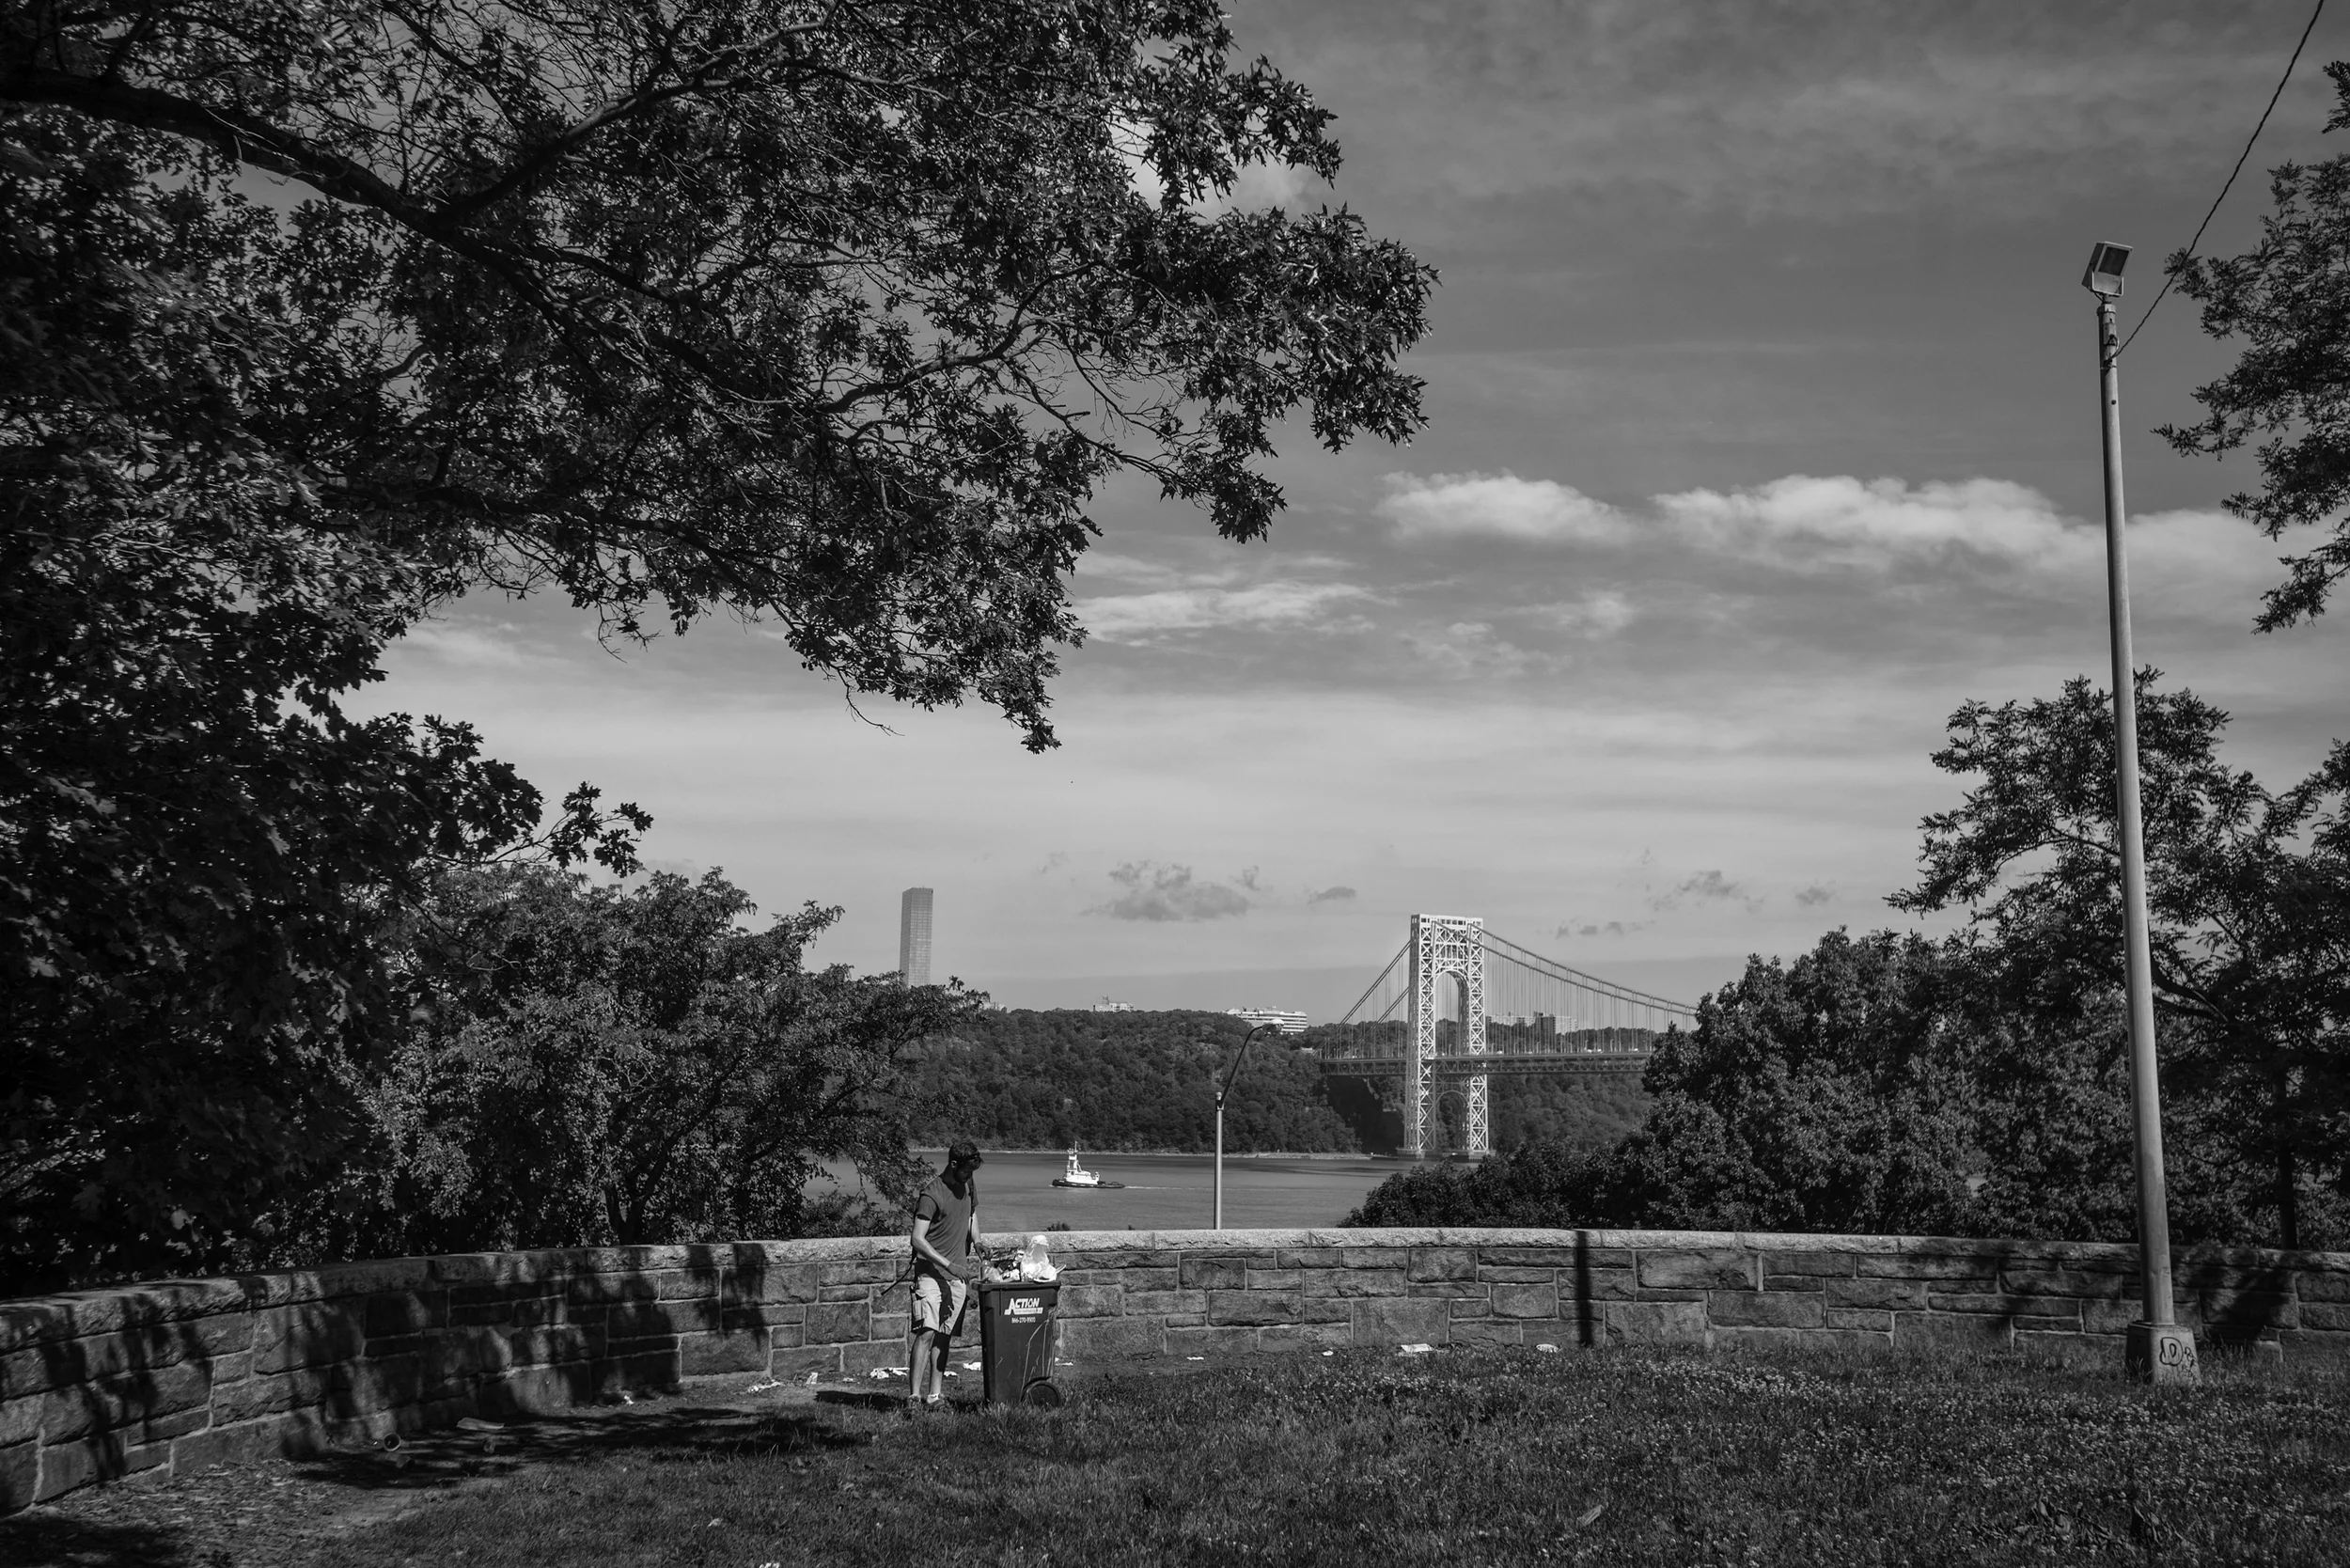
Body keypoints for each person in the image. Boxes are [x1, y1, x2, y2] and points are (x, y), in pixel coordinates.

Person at [906, 1141, 983, 1413]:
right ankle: (914, 1399)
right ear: (953, 1165)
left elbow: (971, 1216)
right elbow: (917, 1239)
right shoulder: (931, 1194)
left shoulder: (969, 1184)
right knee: (926, 1332)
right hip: (931, 1274)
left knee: (943, 1336)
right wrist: (947, 1264)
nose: (969, 1177)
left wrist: (978, 1241)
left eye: (973, 1172)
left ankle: (934, 1397)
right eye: (966, 1172)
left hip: (957, 1276)